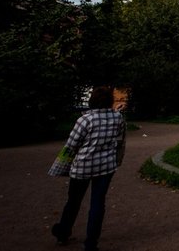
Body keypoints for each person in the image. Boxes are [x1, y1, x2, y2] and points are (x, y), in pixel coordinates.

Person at [51, 86, 126, 251]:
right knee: (98, 204)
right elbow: (119, 141)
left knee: (73, 201)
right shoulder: (118, 118)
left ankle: (63, 232)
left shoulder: (85, 120)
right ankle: (91, 244)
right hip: (106, 167)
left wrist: (61, 166)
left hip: (83, 167)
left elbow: (71, 145)